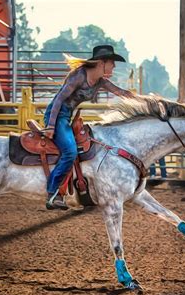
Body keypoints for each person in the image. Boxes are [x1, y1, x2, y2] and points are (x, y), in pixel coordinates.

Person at [43, 45, 135, 210]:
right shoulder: (78, 76)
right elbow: (58, 100)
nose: (114, 66)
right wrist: (50, 125)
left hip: (67, 116)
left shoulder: (100, 81)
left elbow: (120, 92)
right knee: (70, 151)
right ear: (101, 63)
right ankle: (52, 194)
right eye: (112, 62)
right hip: (57, 116)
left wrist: (142, 100)